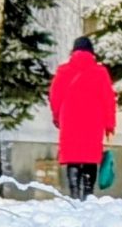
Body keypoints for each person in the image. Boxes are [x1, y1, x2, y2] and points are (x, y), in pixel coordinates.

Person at [48, 36, 118, 200]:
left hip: (69, 119)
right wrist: (109, 125)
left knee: (73, 156)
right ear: (92, 53)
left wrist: (57, 117)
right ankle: (88, 194)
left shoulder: (63, 71)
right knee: (90, 156)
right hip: (93, 121)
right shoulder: (100, 72)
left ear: (73, 52)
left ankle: (73, 194)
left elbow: (54, 96)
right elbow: (109, 100)